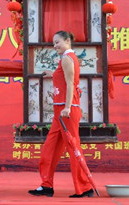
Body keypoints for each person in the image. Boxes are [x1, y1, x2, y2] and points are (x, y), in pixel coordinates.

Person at [28, 31, 94, 198]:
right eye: (53, 43)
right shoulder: (65, 58)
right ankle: (46, 185)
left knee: (73, 149)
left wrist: (67, 107)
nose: (55, 45)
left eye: (57, 42)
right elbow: (64, 78)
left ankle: (85, 188)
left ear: (67, 41)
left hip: (67, 111)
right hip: (61, 111)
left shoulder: (67, 58)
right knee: (50, 148)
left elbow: (71, 83)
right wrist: (53, 74)